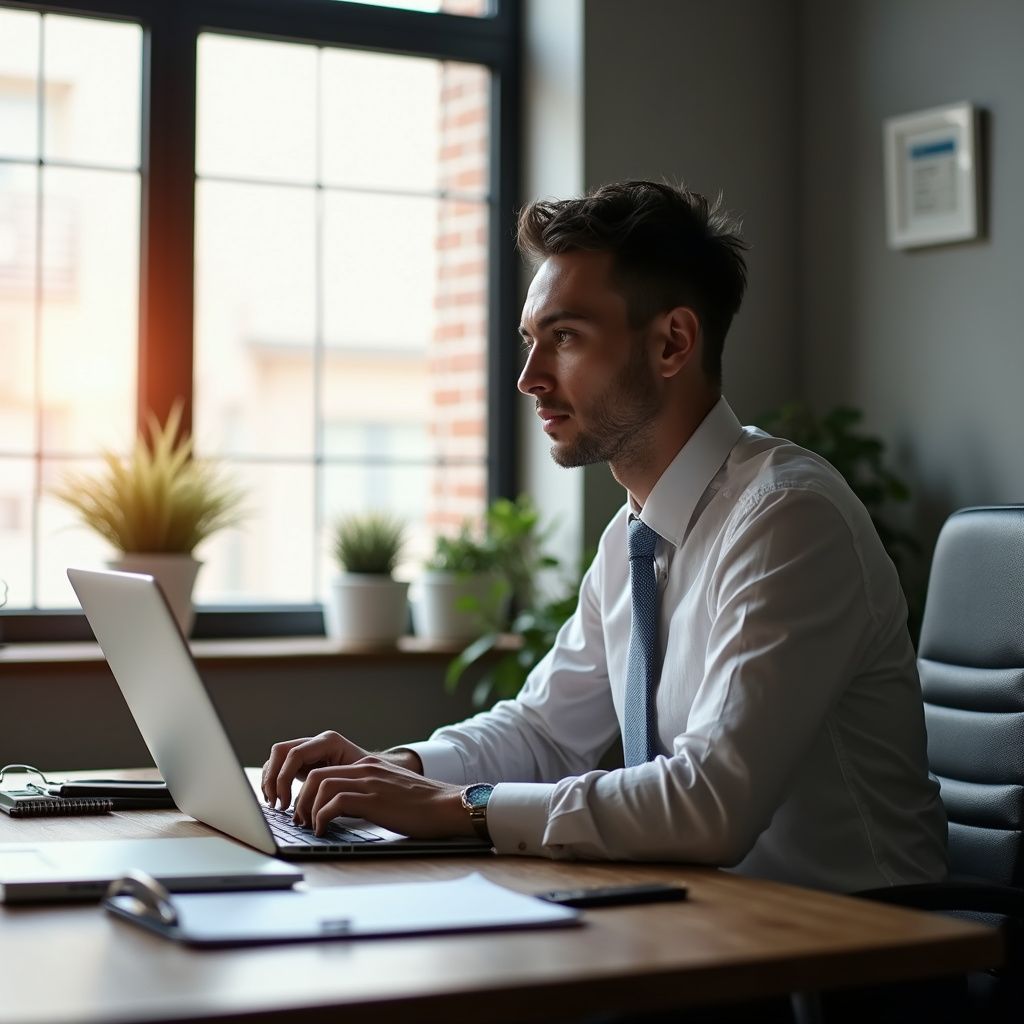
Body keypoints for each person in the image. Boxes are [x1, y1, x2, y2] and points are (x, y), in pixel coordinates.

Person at [262, 180, 947, 893]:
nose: (529, 378)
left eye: (564, 338)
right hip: (716, 933)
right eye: (532, 341)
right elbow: (546, 731)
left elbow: (709, 803)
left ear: (673, 343)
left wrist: (461, 808)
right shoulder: (634, 537)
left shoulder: (786, 520)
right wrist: (401, 769)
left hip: (858, 958)